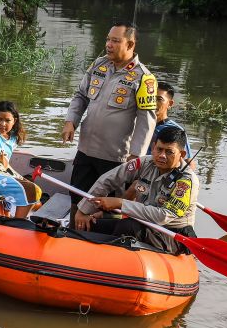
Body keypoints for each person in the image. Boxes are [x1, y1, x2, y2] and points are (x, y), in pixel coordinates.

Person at [62, 22, 158, 199]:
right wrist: (70, 121)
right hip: (86, 149)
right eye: (108, 40)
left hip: (116, 157)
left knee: (108, 204)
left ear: (130, 44)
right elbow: (81, 95)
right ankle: (73, 227)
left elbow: (146, 121)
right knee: (76, 197)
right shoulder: (99, 65)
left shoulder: (144, 77)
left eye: (115, 41)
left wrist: (136, 156)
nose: (108, 45)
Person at [73, 124, 198, 254]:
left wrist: (120, 203)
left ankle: (111, 260)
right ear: (153, 147)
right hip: (144, 223)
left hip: (172, 233)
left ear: (182, 154)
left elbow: (163, 216)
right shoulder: (145, 163)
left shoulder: (186, 181)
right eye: (159, 149)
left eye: (169, 152)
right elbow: (109, 179)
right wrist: (84, 210)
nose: (162, 156)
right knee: (92, 224)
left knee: (128, 227)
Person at [148, 81, 192, 158]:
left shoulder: (176, 130)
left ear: (170, 104)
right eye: (150, 97)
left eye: (159, 99)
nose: (153, 102)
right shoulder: (136, 123)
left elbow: (188, 162)